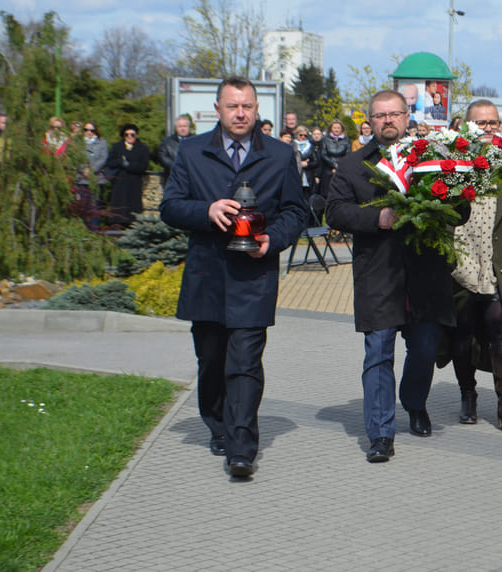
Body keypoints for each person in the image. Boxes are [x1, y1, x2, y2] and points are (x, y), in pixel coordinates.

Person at [160, 77, 306, 479]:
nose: (240, 114)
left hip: (253, 277)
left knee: (244, 363)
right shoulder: (192, 151)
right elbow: (170, 207)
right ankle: (218, 423)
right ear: (218, 109)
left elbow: (296, 213)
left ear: (258, 110)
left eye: (247, 107)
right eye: (232, 107)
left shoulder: (279, 155)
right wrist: (205, 211)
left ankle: (242, 447)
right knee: (211, 359)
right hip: (207, 275)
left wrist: (271, 240)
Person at [326, 89, 467, 463]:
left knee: (423, 350)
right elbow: (335, 212)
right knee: (378, 353)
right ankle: (381, 433)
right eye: (380, 115)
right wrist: (378, 218)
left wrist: (450, 195)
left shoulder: (433, 159)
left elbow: (462, 210)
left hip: (426, 273)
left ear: (407, 117)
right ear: (369, 122)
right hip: (379, 275)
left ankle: (414, 402)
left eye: (394, 114)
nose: (387, 120)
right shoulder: (353, 165)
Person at [439, 99, 502, 428]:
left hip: (499, 267)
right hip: (462, 265)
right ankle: (468, 395)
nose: (488, 128)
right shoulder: (453, 165)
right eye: (480, 123)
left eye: (492, 122)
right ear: (467, 126)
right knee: (462, 335)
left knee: (501, 331)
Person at [106, 123, 150, 226]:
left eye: (132, 134)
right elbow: (110, 162)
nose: (130, 137)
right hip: (119, 182)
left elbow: (143, 165)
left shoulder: (142, 148)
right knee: (119, 205)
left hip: (134, 181)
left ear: (136, 135)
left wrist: (129, 165)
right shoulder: (117, 147)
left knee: (133, 207)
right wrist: (120, 162)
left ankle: (134, 223)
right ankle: (117, 224)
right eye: (127, 134)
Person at [75, 121, 109, 227]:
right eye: (86, 130)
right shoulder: (78, 143)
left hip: (96, 178)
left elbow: (103, 158)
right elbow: (75, 158)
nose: (89, 132)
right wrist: (83, 169)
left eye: (91, 130)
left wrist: (91, 170)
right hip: (81, 179)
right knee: (83, 206)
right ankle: (83, 228)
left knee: (95, 205)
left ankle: (94, 228)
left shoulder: (101, 142)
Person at [319, 119, 350, 197]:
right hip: (328, 169)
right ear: (331, 129)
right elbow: (323, 154)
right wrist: (333, 165)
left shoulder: (346, 140)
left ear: (342, 129)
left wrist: (339, 166)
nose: (336, 130)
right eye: (335, 128)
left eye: (338, 128)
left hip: (342, 169)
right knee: (327, 194)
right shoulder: (325, 140)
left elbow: (348, 154)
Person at [158, 115, 193, 185]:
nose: (183, 129)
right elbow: (162, 157)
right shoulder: (167, 142)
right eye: (180, 126)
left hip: (191, 179)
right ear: (176, 128)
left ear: (189, 127)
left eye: (185, 126)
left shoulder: (196, 141)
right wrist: (178, 166)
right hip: (173, 179)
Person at [293, 125, 319, 200]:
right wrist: (299, 163)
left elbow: (316, 162)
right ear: (296, 134)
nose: (303, 137)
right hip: (295, 175)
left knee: (306, 198)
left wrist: (307, 164)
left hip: (307, 176)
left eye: (305, 135)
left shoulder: (310, 146)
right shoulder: (292, 145)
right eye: (301, 135)